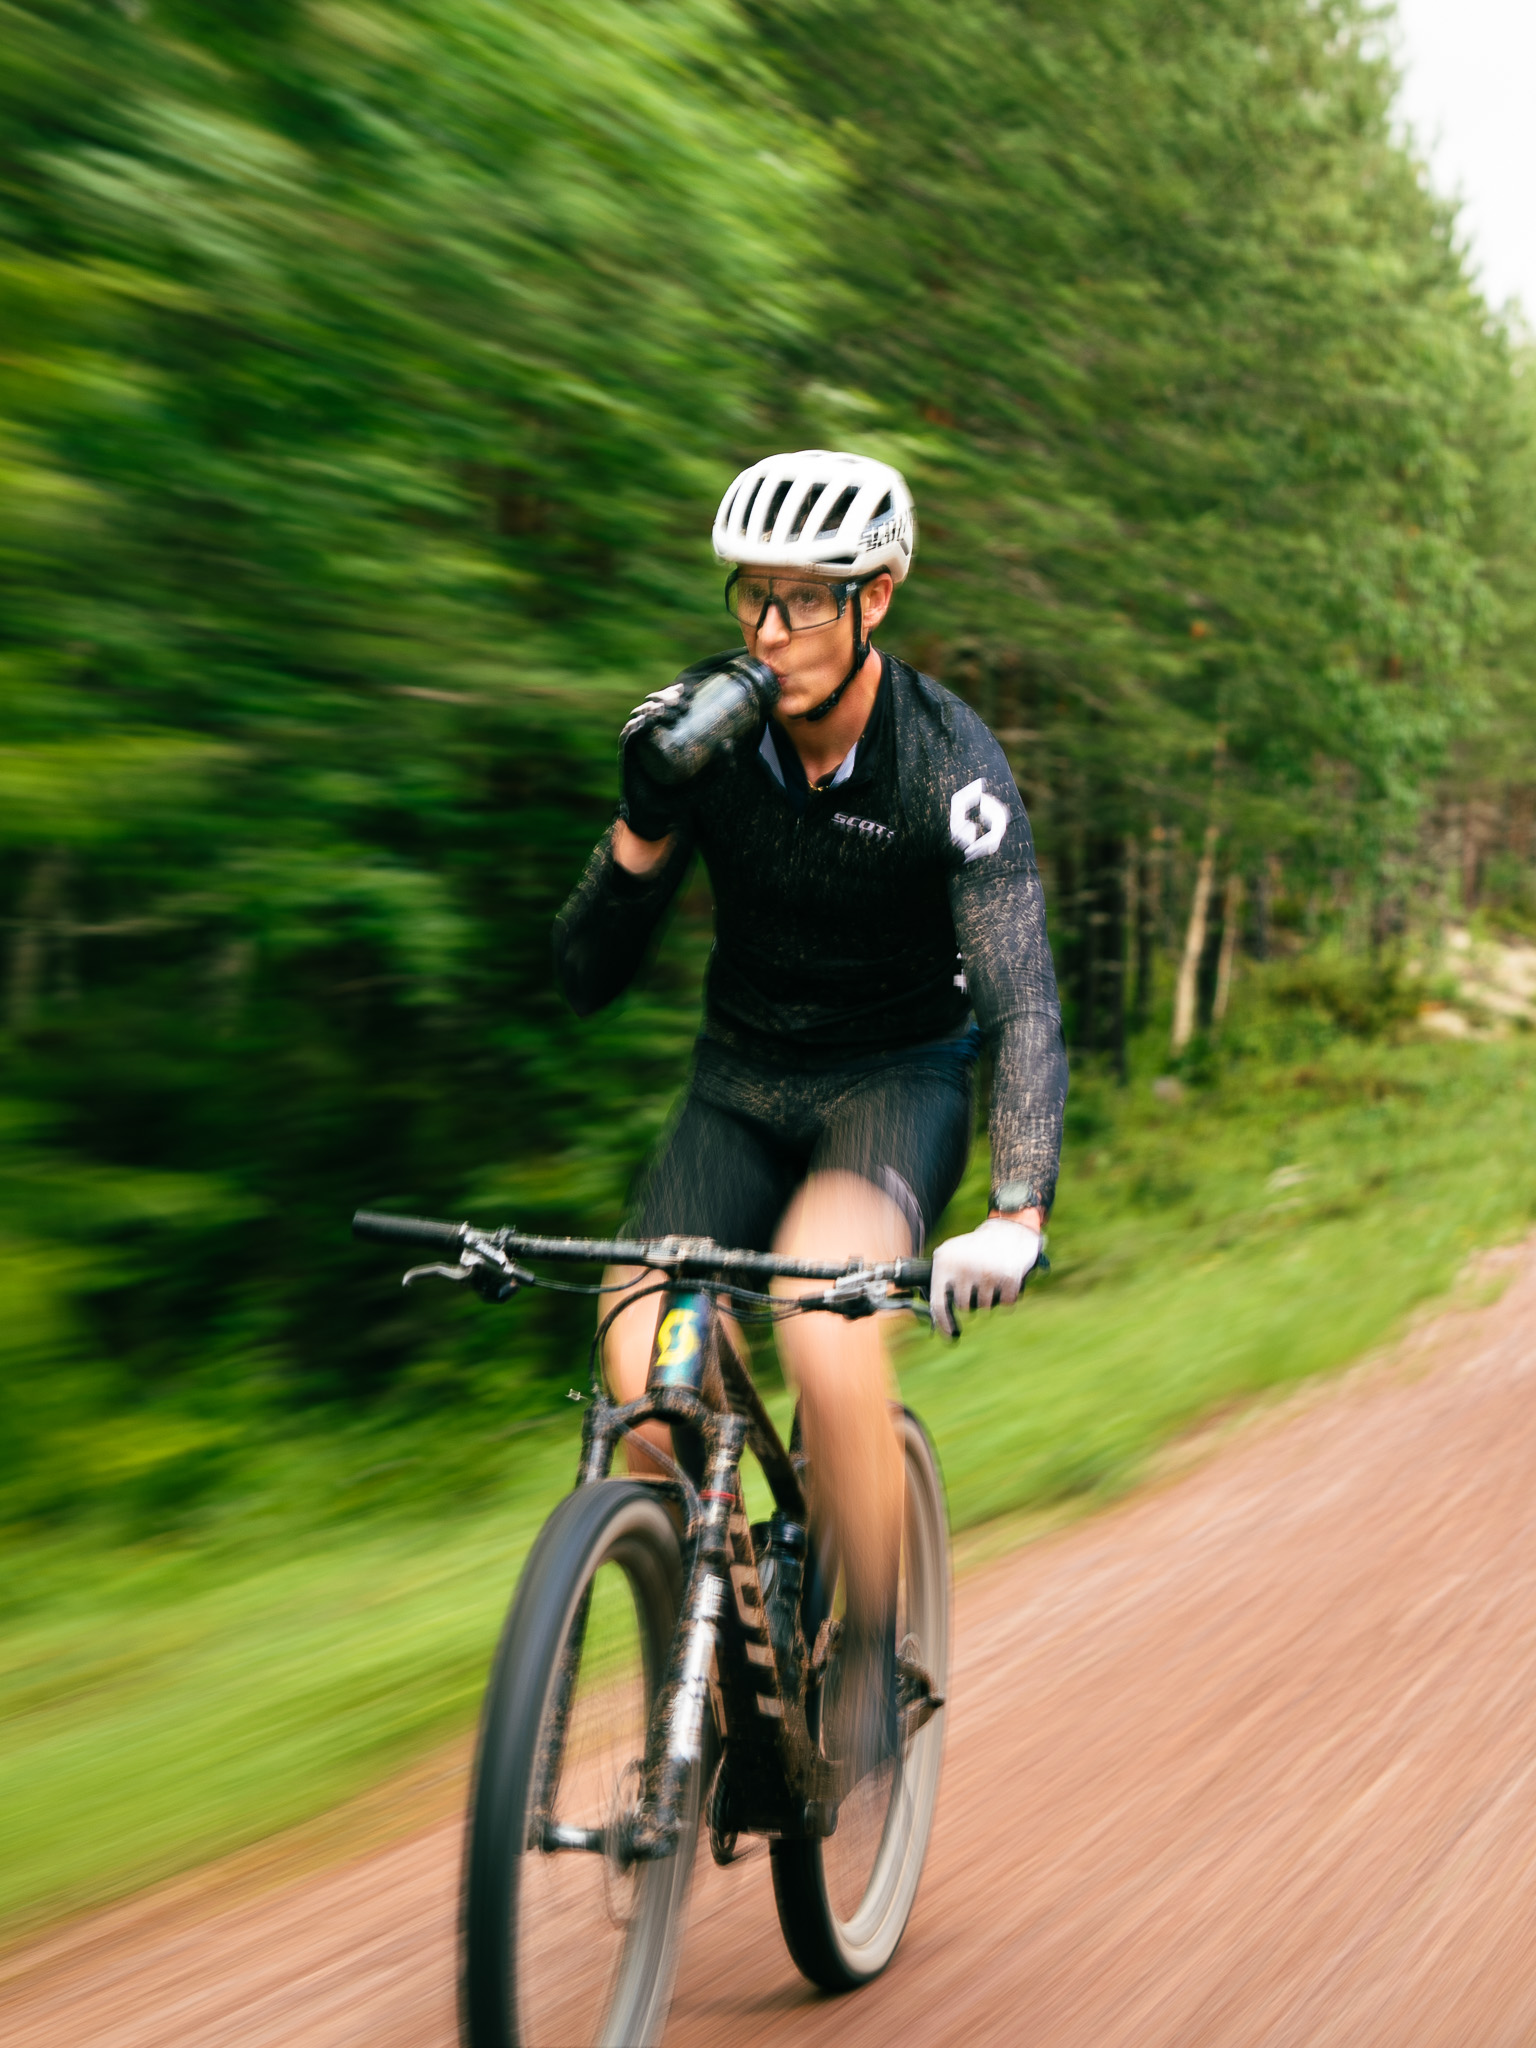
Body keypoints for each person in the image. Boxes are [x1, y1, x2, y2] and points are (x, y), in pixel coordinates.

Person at [553, 449, 1066, 1762]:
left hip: (894, 1085)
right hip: (738, 1087)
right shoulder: (708, 742)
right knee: (636, 1380)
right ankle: (716, 1658)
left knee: (823, 1320)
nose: (768, 634)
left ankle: (866, 1661)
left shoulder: (949, 767)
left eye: (804, 601)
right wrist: (640, 823)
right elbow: (582, 980)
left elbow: (1019, 1002)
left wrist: (1016, 1210)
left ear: (876, 598)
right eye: (749, 598)